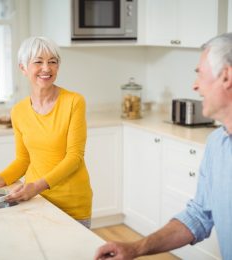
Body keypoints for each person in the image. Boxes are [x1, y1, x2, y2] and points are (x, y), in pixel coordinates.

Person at [94, 32, 232, 259]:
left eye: (200, 74)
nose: (195, 86)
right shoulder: (217, 144)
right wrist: (135, 248)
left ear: (226, 77)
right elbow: (198, 216)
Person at [0, 36, 93, 228]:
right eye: (38, 62)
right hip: (35, 200)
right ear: (23, 68)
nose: (46, 68)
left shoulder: (74, 102)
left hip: (71, 202)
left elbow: (75, 157)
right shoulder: (18, 111)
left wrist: (36, 186)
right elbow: (23, 160)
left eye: (52, 62)